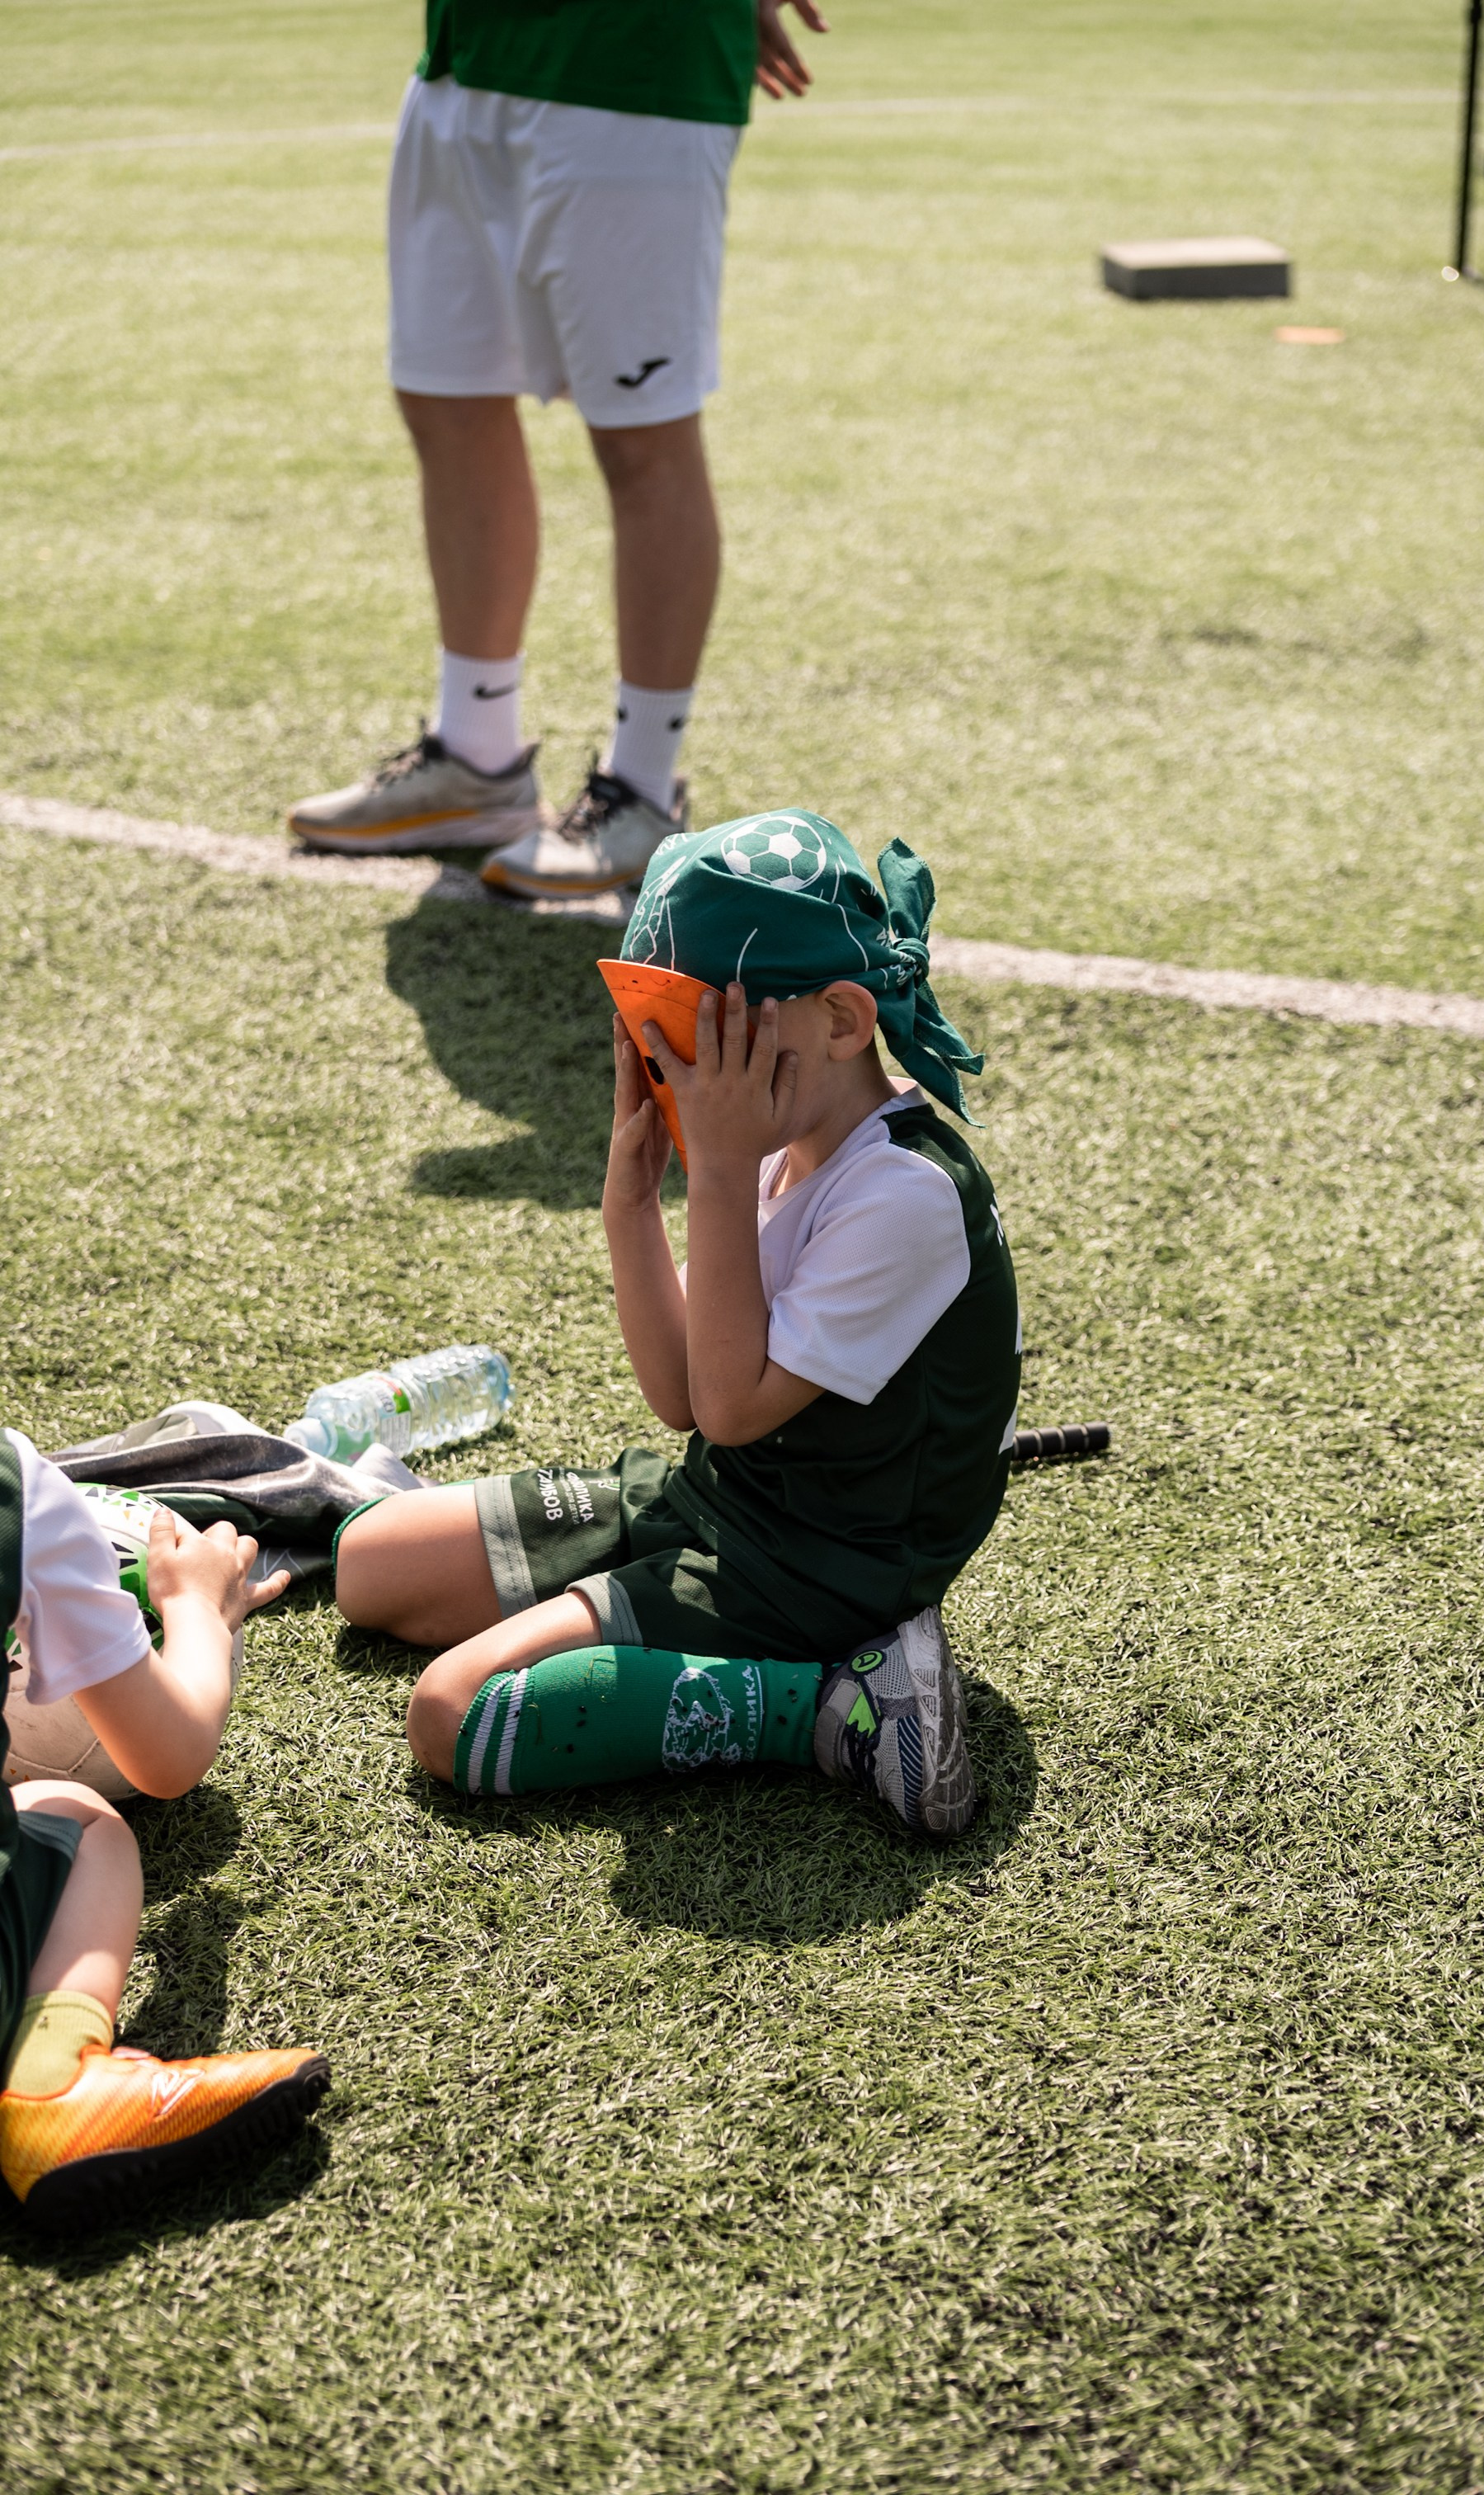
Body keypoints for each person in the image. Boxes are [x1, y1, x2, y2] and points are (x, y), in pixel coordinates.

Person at [334, 813, 1022, 1837]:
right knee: (368, 1563)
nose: (680, 1075)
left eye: (703, 1037)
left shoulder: (904, 1191)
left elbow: (730, 1407)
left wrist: (722, 1163)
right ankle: (720, 1651)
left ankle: (845, 1703)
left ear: (839, 1021)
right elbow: (680, 1398)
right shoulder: (781, 1138)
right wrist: (629, 1203)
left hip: (824, 1566)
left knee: (451, 1713)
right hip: (724, 1496)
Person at [288, 0, 828, 900]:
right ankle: (476, 758)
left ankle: (644, 792)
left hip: (636, 61)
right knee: (446, 398)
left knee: (642, 437)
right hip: (469, 57)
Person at [0, 1432, 329, 2232]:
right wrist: (196, 1612)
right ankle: (55, 2087)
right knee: (81, 1823)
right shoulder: (21, 1491)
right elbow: (169, 1759)